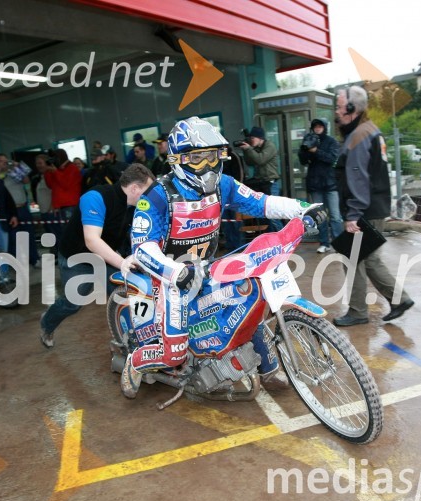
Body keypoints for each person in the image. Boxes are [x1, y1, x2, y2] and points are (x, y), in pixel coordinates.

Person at [120, 116, 326, 399]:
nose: (207, 166)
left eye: (213, 156)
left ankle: (266, 369)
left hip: (207, 267)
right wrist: (174, 272)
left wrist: (304, 208)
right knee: (174, 353)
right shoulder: (155, 197)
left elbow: (261, 202)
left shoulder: (224, 184)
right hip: (170, 279)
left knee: (249, 296)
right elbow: (143, 247)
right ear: (177, 159)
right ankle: (136, 362)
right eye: (197, 158)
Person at [39, 163, 153, 348]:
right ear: (134, 188)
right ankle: (47, 323)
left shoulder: (135, 205)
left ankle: (133, 341)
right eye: (147, 191)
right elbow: (92, 240)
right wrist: (122, 262)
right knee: (72, 302)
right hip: (78, 257)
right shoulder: (96, 197)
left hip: (107, 254)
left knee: (127, 293)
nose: (149, 196)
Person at [332, 86, 414, 326]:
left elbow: (358, 177)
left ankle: (358, 312)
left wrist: (353, 215)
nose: (336, 112)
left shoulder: (358, 135)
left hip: (364, 210)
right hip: (375, 207)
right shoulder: (370, 130)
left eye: (339, 107)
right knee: (369, 259)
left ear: (351, 108)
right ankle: (400, 299)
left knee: (352, 257)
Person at [299, 118, 343, 253]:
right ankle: (324, 243)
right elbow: (302, 160)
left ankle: (340, 243)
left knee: (335, 215)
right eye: (315, 127)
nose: (317, 128)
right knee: (321, 216)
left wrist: (315, 151)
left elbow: (332, 158)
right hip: (315, 184)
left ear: (324, 127)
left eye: (320, 126)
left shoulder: (331, 141)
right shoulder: (308, 139)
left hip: (330, 184)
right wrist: (305, 149)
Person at [0, 154, 38, 266]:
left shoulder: (14, 172)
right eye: (0, 161)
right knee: (13, 238)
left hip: (22, 207)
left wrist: (17, 167)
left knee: (29, 234)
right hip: (9, 211)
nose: (4, 163)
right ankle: (18, 262)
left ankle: (35, 259)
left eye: (5, 160)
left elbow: (26, 180)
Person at [239, 126, 282, 231]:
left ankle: (285, 238)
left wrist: (249, 149)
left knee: (272, 214)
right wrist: (246, 151)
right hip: (261, 183)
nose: (251, 140)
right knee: (264, 215)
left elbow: (260, 160)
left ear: (260, 138)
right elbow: (250, 162)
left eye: (253, 138)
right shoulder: (257, 148)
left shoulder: (270, 146)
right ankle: (271, 239)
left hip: (270, 184)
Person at [43, 148, 82, 240]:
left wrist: (55, 172)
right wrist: (48, 172)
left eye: (54, 158)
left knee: (72, 233)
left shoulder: (72, 168)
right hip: (59, 207)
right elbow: (50, 185)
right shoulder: (58, 170)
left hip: (70, 206)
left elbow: (66, 184)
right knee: (63, 233)